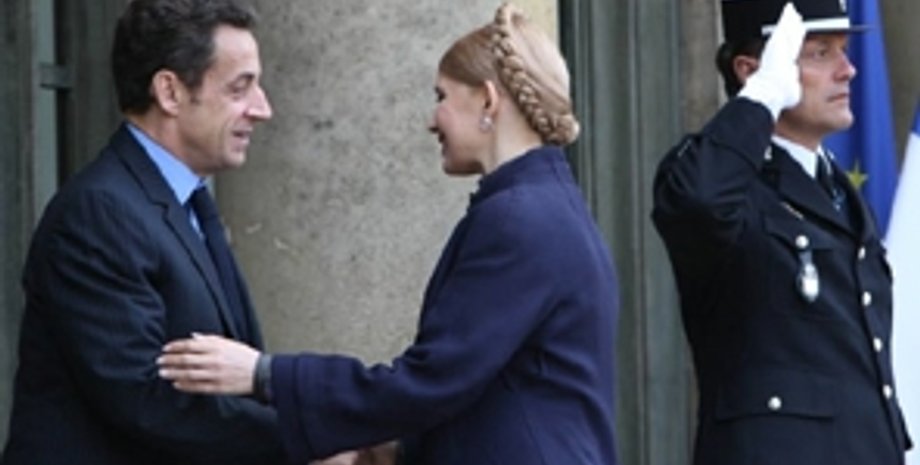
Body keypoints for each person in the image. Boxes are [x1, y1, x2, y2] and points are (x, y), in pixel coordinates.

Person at [158, 3, 620, 465]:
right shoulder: (545, 208)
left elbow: (434, 380)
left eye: (441, 96)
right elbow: (490, 392)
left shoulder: (519, 218)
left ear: (487, 101)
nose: (431, 120)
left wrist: (263, 374)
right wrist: (386, 451)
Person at [0, 1, 286, 464]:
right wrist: (306, 437)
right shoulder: (100, 214)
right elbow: (145, 399)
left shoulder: (181, 203)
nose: (262, 109)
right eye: (240, 88)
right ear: (169, 92)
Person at [651, 1, 911, 464]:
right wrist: (762, 98)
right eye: (819, 53)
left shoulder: (835, 187)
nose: (847, 70)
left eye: (844, 50)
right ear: (752, 71)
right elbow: (698, 204)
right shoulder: (723, 181)